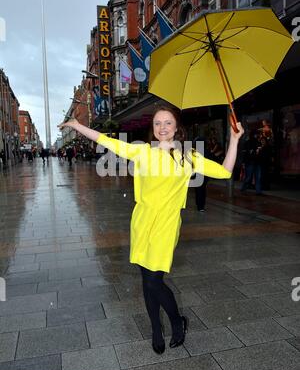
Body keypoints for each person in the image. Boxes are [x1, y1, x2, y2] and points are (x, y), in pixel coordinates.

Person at [58, 105, 244, 354]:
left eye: (168, 123)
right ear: (153, 128)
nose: (163, 127)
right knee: (147, 280)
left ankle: (177, 320)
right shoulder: (142, 151)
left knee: (155, 280)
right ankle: (156, 328)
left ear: (177, 128)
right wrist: (77, 126)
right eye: (157, 123)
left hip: (167, 224)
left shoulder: (187, 156)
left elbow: (224, 171)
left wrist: (234, 139)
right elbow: (107, 141)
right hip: (142, 222)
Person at [240, 130, 262, 195]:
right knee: (249, 177)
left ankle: (258, 191)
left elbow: (259, 152)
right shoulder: (248, 143)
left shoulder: (257, 142)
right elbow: (245, 153)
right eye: (256, 134)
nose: (257, 136)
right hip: (250, 162)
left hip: (255, 162)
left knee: (256, 177)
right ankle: (244, 189)